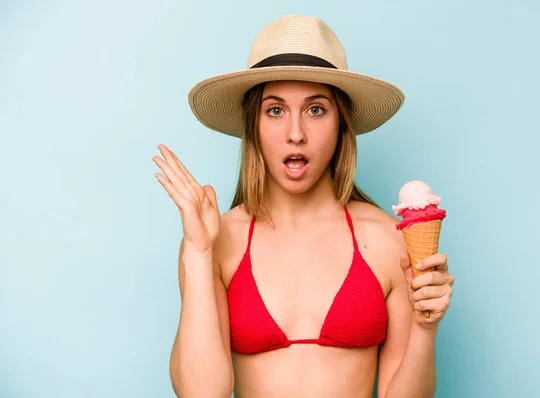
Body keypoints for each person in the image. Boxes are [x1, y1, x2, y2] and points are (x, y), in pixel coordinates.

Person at [152, 15, 454, 398]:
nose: (296, 133)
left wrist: (426, 330)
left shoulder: (386, 240)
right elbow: (202, 394)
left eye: (316, 109)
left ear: (342, 123)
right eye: (275, 110)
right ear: (254, 125)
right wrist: (197, 253)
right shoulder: (215, 240)